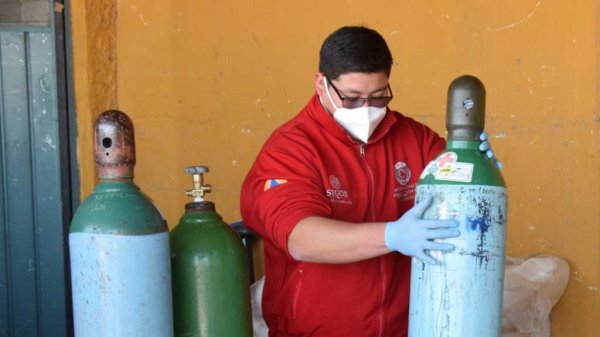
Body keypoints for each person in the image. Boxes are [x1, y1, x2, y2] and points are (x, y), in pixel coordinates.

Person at [240, 26, 499, 337]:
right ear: (321, 83)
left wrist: (472, 162)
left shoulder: (414, 141)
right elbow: (301, 239)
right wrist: (391, 236)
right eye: (351, 99)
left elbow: (456, 193)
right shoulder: (291, 150)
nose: (366, 110)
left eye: (378, 97)